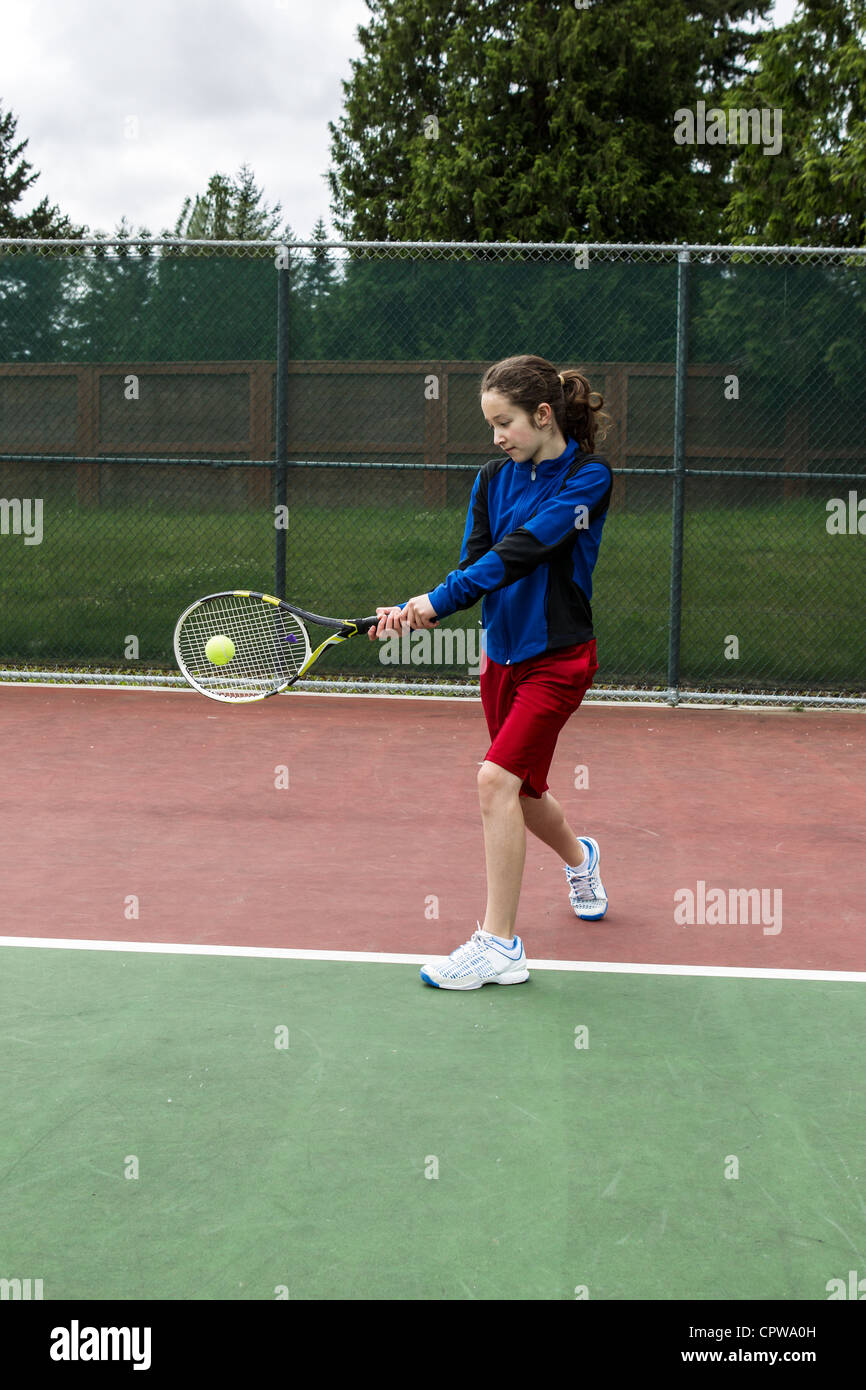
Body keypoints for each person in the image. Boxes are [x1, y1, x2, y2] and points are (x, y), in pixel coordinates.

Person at [369, 354, 613, 990]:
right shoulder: (491, 477)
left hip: (558, 661)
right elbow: (475, 564)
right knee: (523, 790)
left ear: (542, 414)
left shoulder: (588, 480)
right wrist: (416, 611)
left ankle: (498, 945)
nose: (497, 437)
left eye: (505, 422)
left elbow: (524, 550)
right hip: (499, 660)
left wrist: (436, 600)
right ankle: (581, 857)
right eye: (490, 426)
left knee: (493, 781)